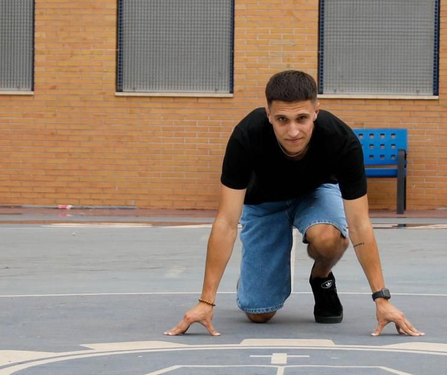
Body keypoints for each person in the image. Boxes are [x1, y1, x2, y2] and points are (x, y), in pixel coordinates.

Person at [166, 70, 422, 338]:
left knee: (329, 239)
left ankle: (321, 277)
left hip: (316, 193)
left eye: (301, 118)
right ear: (268, 115)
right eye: (282, 120)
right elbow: (227, 222)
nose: (293, 131)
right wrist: (206, 301)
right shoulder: (246, 135)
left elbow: (359, 224)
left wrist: (381, 299)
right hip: (263, 203)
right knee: (259, 312)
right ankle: (256, 276)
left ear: (315, 111)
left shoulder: (341, 140)